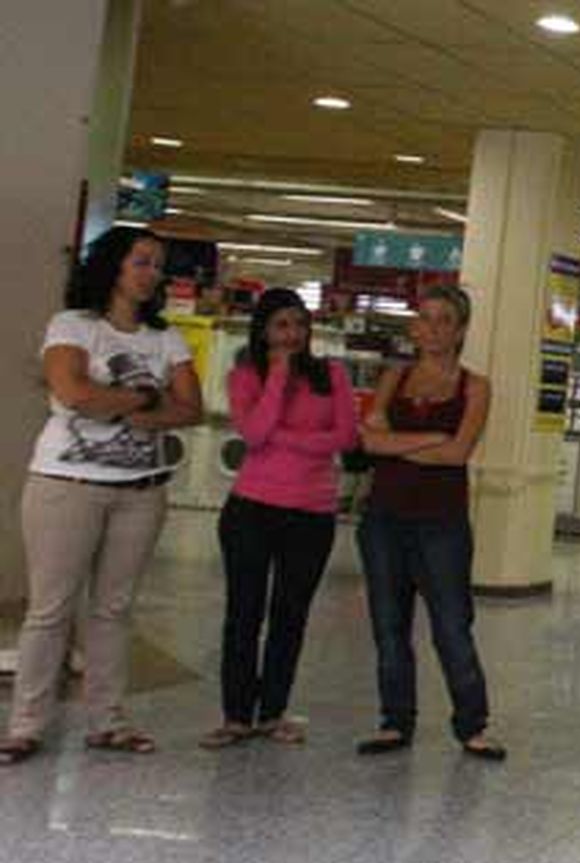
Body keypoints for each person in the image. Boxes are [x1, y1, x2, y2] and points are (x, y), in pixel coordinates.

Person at [0, 228, 202, 765]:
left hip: (140, 492)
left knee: (113, 609)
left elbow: (190, 408)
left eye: (158, 265)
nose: (152, 273)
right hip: (67, 487)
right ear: (114, 266)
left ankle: (107, 720)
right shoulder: (72, 326)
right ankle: (25, 726)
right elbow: (72, 391)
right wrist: (143, 397)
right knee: (51, 609)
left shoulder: (166, 338)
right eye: (142, 261)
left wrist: (115, 404)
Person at [202, 289, 358, 749]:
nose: (292, 335)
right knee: (243, 613)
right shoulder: (245, 376)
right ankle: (236, 716)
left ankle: (271, 713)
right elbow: (252, 432)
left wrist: (284, 438)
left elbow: (346, 436)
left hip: (312, 514)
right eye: (281, 326)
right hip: (251, 509)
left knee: (290, 615)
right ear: (263, 331)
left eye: (299, 325)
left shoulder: (332, 374)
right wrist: (278, 377)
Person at [353, 284, 505, 759]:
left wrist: (400, 440)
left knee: (452, 625)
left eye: (445, 320)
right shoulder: (393, 379)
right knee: (389, 623)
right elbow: (369, 443)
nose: (433, 328)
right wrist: (430, 439)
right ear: (414, 326)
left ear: (460, 330)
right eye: (426, 317)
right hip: (384, 518)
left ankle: (472, 723)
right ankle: (395, 721)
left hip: (442, 522)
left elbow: (459, 452)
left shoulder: (475, 387)